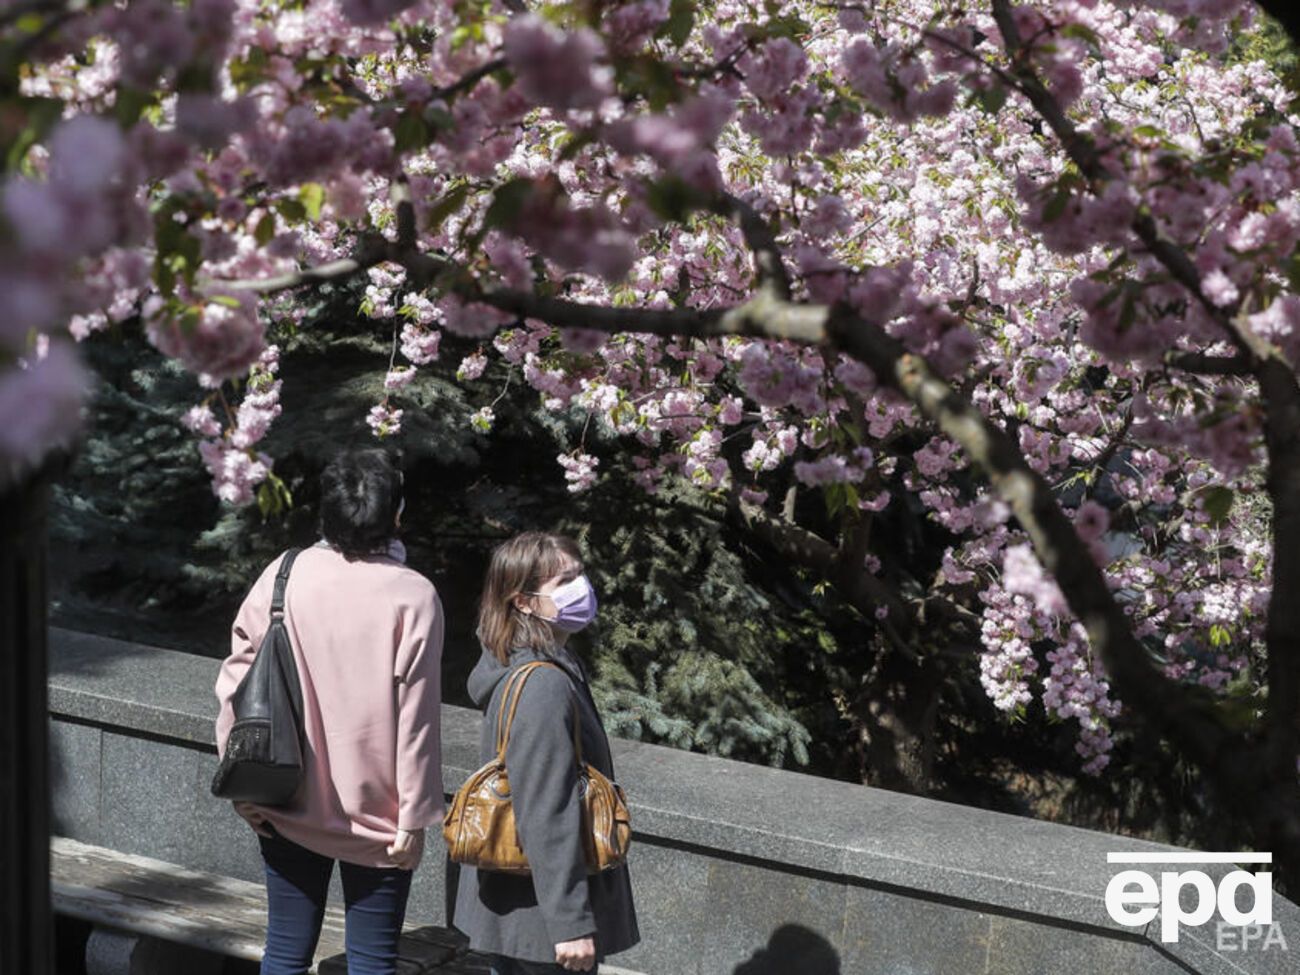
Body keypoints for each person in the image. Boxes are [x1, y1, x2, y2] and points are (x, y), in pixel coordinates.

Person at [214, 449, 444, 975]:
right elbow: (417, 717)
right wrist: (413, 817)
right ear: (396, 515)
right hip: (379, 817)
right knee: (371, 963)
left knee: (284, 955)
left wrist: (242, 785)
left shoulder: (285, 573)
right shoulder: (415, 597)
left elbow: (236, 680)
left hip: (285, 798)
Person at [453, 532, 639, 975]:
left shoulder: (533, 664)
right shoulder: (544, 684)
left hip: (523, 913)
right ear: (523, 602)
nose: (582, 589)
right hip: (541, 925)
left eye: (580, 574)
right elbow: (546, 809)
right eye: (565, 581)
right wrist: (570, 924)